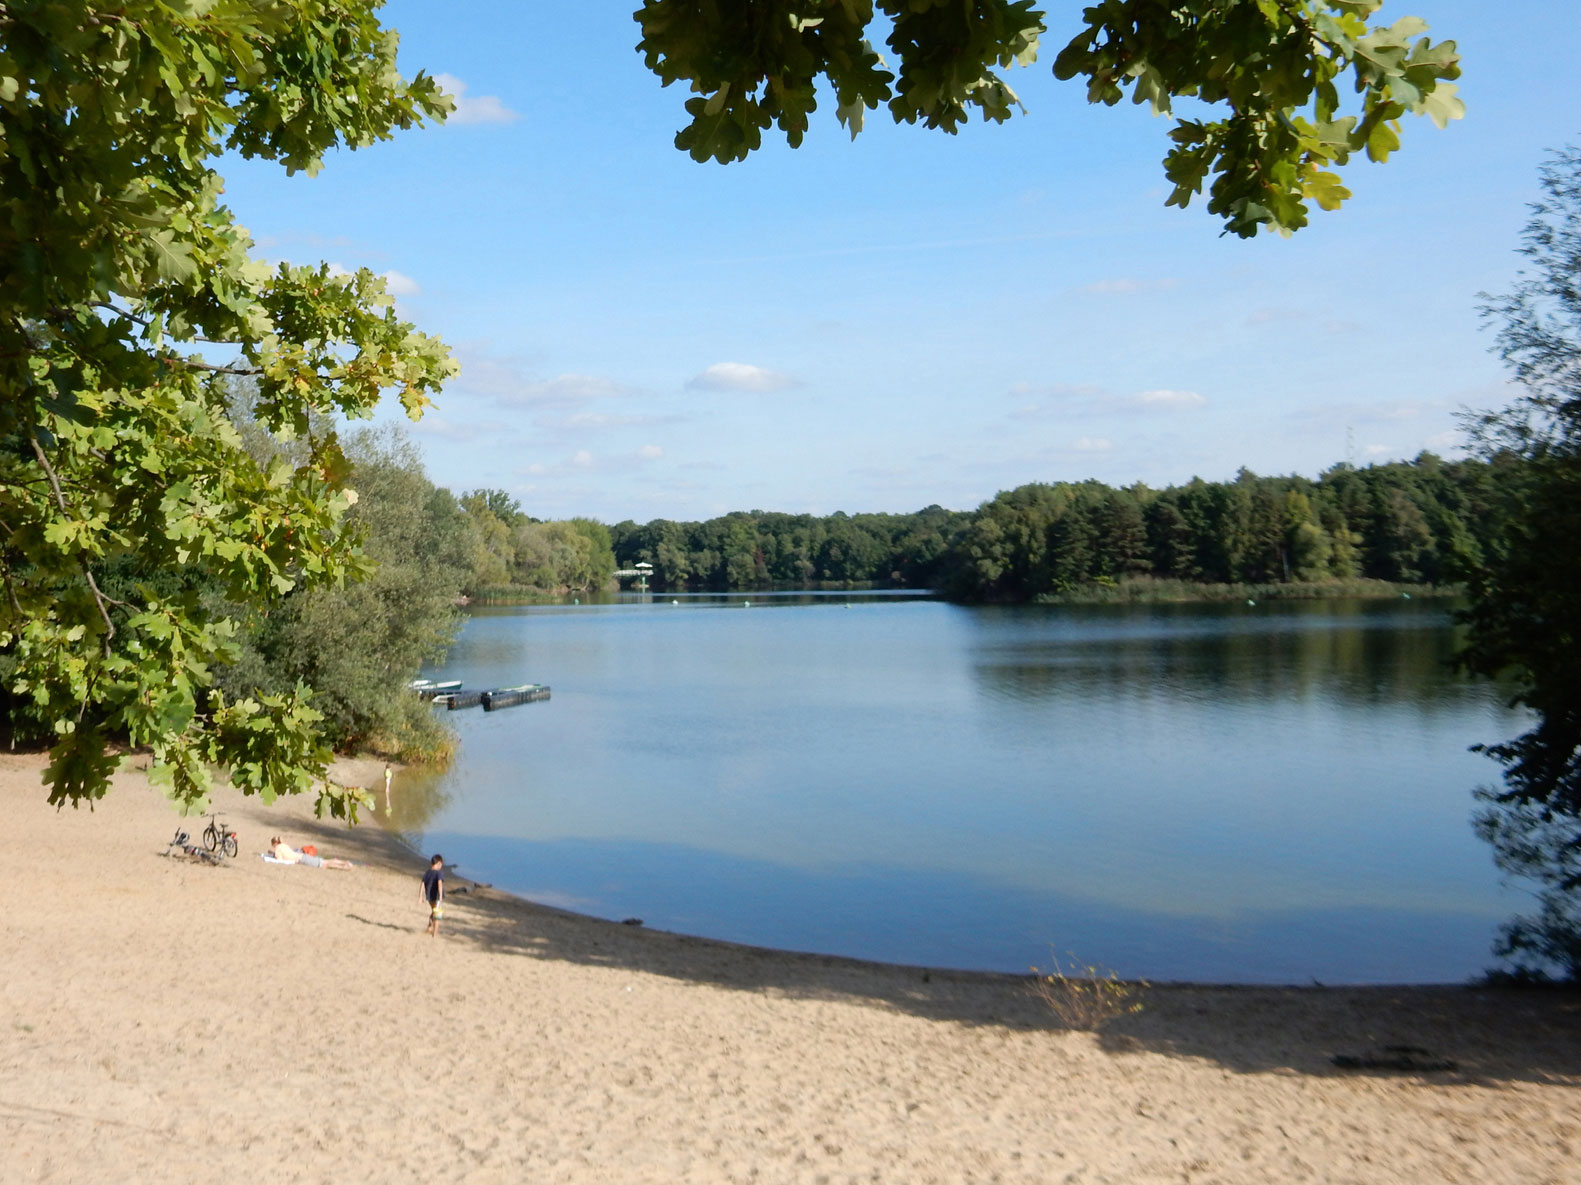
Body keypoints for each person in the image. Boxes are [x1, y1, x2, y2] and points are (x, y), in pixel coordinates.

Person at [269, 836, 354, 870]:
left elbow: (279, 859)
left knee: (324, 865)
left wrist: (274, 855)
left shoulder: (278, 848)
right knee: (323, 862)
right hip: (302, 856)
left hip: (302, 859)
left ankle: (344, 867)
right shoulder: (284, 845)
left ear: (275, 844)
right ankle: (344, 862)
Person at [421, 853, 444, 937]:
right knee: (437, 916)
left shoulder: (427, 872)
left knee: (433, 911)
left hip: (429, 897)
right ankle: (434, 934)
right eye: (441, 865)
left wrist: (421, 896)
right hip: (436, 897)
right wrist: (441, 897)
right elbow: (440, 884)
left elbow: (423, 883)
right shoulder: (439, 873)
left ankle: (430, 927)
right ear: (439, 864)